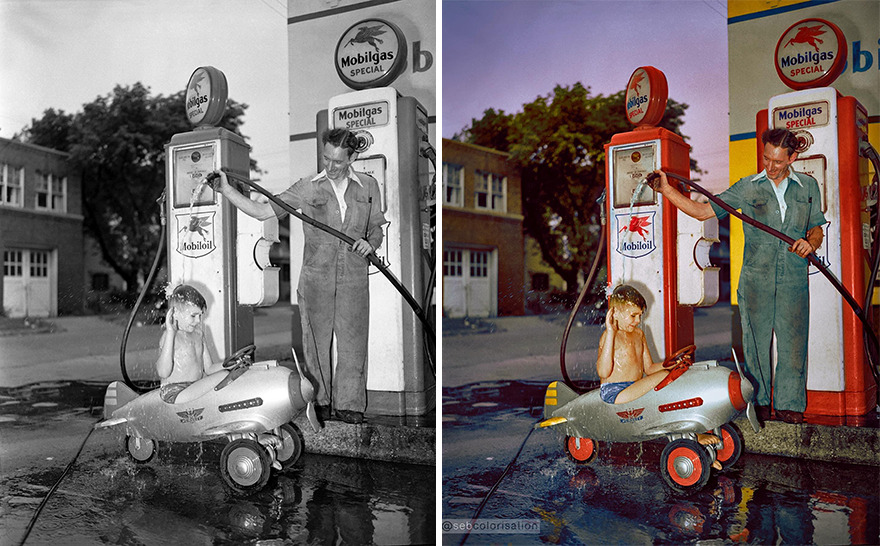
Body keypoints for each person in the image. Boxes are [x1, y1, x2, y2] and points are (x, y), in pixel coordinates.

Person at [650, 128, 826, 424]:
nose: (770, 167)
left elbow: (817, 227)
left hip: (794, 276)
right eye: (766, 158)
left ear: (793, 157)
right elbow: (703, 211)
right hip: (756, 277)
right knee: (755, 343)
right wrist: (667, 190)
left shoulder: (807, 187)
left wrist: (812, 242)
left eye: (778, 162)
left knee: (794, 342)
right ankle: (760, 403)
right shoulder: (748, 187)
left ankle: (790, 406)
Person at [210, 128, 387, 424]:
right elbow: (262, 210)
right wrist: (227, 190)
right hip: (316, 278)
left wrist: (372, 242)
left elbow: (377, 227)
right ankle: (319, 401)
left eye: (338, 162)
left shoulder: (369, 187)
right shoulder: (307, 187)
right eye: (326, 159)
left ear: (353, 158)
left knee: (354, 343)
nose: (330, 167)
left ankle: (350, 405)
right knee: (316, 343)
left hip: (355, 276)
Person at [597, 285, 670, 405]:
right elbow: (603, 373)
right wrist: (610, 332)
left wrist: (672, 364)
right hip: (614, 392)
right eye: (633, 316)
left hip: (634, 387)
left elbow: (649, 368)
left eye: (640, 316)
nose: (638, 321)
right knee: (664, 376)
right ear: (615, 313)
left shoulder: (639, 334)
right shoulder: (610, 335)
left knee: (668, 375)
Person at [156, 284, 223, 404]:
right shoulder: (171, 336)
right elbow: (163, 372)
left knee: (227, 375)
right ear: (175, 313)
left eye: (200, 316)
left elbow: (209, 368)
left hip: (193, 388)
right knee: (223, 377)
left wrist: (232, 364)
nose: (198, 321)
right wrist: (171, 332)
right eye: (193, 316)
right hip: (174, 392)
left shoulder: (198, 334)